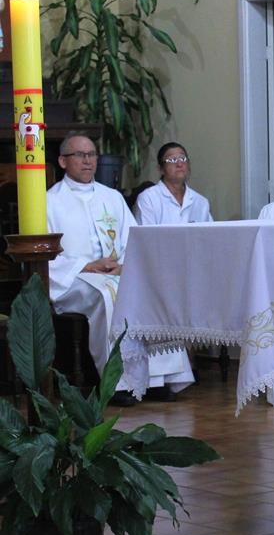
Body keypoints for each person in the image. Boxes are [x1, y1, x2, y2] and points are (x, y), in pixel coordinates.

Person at [47, 134, 193, 405]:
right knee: (109, 294)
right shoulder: (50, 201)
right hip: (74, 279)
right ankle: (119, 383)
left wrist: (124, 265)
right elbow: (48, 256)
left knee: (150, 289)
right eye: (80, 155)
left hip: (115, 273)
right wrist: (87, 265)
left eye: (92, 154)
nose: (88, 161)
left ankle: (157, 380)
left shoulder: (111, 197)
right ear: (63, 161)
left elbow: (131, 239)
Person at [134, 142, 213, 224]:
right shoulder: (148, 198)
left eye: (183, 159)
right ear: (160, 169)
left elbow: (211, 235)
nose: (179, 164)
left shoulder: (201, 202)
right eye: (172, 160)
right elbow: (145, 235)